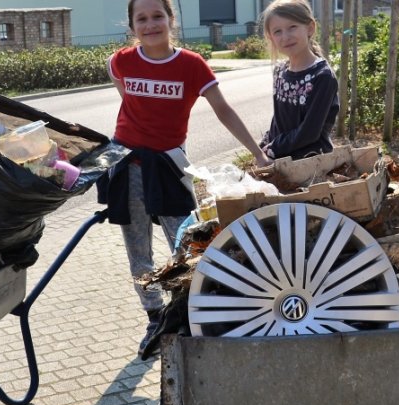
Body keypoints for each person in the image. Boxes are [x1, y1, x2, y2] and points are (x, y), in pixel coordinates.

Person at [101, 0, 271, 356]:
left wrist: (257, 153)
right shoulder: (122, 61)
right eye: (141, 18)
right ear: (132, 26)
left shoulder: (191, 65)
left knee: (188, 244)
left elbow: (223, 109)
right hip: (128, 166)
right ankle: (153, 317)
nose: (150, 24)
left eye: (157, 16)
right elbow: (124, 93)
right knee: (138, 250)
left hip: (168, 166)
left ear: (171, 19)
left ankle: (186, 311)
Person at [259, 0, 340, 161]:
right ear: (271, 37)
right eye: (277, 31)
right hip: (281, 159)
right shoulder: (280, 71)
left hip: (311, 163)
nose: (286, 37)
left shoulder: (322, 76)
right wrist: (265, 144)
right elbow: (279, 120)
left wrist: (274, 148)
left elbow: (309, 133)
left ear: (310, 28)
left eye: (292, 27)